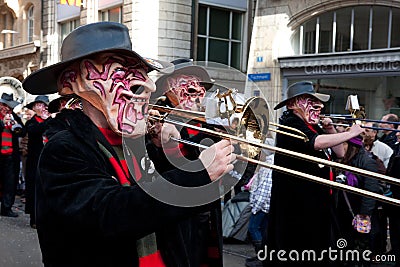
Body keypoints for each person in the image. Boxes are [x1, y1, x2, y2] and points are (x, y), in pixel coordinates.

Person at [22, 22, 235, 267]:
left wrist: (167, 153)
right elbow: (112, 213)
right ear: (73, 82)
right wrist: (198, 174)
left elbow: (172, 214)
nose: (148, 86)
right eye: (120, 72)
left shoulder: (137, 143)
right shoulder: (62, 149)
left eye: (141, 73)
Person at [265, 81, 364, 267]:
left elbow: (340, 153)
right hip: (298, 205)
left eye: (317, 101)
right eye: (310, 100)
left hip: (318, 201)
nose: (318, 106)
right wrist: (350, 133)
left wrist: (329, 129)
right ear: (292, 104)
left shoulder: (311, 125)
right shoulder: (290, 123)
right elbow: (315, 143)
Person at [335, 135, 382, 263]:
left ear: (350, 146)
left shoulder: (367, 161)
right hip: (344, 214)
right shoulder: (346, 160)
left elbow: (371, 192)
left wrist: (364, 215)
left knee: (359, 251)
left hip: (359, 214)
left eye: (343, 144)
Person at [24, 95, 51, 228]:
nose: (43, 108)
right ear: (34, 108)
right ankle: (34, 218)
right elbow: (35, 130)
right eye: (40, 105)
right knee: (34, 190)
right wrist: (49, 120)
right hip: (35, 162)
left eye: (45, 105)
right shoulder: (31, 122)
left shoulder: (51, 121)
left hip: (49, 161)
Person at [0, 92, 25, 217]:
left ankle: (6, 208)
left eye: (9, 106)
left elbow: (22, 131)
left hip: (10, 155)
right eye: (4, 105)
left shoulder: (13, 116)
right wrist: (2, 123)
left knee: (10, 183)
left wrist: (15, 124)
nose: (6, 108)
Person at [386, 129, 400, 267]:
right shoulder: (396, 148)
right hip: (394, 194)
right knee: (395, 225)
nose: (396, 134)